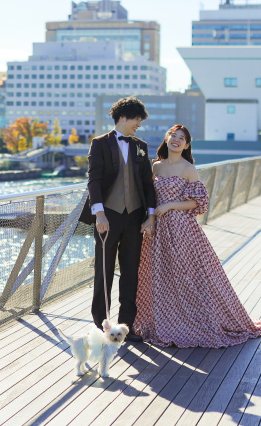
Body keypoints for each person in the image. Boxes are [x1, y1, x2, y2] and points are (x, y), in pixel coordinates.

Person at [133, 125, 261, 347]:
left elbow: (199, 202)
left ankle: (192, 321)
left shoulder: (188, 168)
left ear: (187, 145)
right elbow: (149, 196)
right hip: (158, 232)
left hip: (181, 228)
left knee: (186, 275)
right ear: (166, 139)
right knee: (163, 276)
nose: (176, 140)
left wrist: (169, 206)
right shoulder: (156, 166)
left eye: (182, 139)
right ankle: (166, 320)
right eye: (173, 136)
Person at [80, 97, 157, 340]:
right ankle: (102, 326)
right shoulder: (100, 143)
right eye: (136, 120)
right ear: (123, 118)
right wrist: (99, 214)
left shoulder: (140, 145)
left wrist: (151, 216)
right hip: (108, 216)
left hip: (135, 216)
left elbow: (147, 184)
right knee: (104, 272)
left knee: (131, 271)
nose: (139, 125)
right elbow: (94, 180)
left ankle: (126, 326)